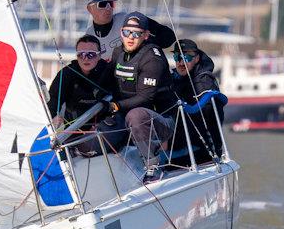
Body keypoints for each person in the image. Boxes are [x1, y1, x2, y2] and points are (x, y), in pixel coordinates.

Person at [104, 12, 176, 181]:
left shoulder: (153, 58)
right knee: (103, 128)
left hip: (160, 120)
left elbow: (145, 97)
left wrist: (115, 106)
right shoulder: (118, 52)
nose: (130, 38)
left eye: (136, 34)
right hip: (126, 115)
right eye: (127, 32)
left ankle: (153, 166)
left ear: (145, 35)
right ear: (121, 32)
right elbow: (105, 82)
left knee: (135, 116)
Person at [47, 35, 124, 157]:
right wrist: (54, 116)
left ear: (99, 55)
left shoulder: (109, 72)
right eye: (80, 55)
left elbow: (120, 101)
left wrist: (105, 123)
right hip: (74, 129)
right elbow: (53, 101)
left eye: (91, 54)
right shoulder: (67, 74)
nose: (85, 59)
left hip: (103, 128)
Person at [169, 39, 226, 166]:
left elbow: (206, 113)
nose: (181, 62)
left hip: (201, 149)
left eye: (186, 57)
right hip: (177, 141)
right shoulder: (173, 78)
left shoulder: (204, 81)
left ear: (196, 58)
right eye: (177, 57)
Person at [85, 0, 176, 60]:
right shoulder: (89, 36)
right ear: (90, 9)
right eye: (103, 4)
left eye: (111, 4)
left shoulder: (129, 20)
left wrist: (141, 45)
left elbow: (169, 37)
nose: (108, 8)